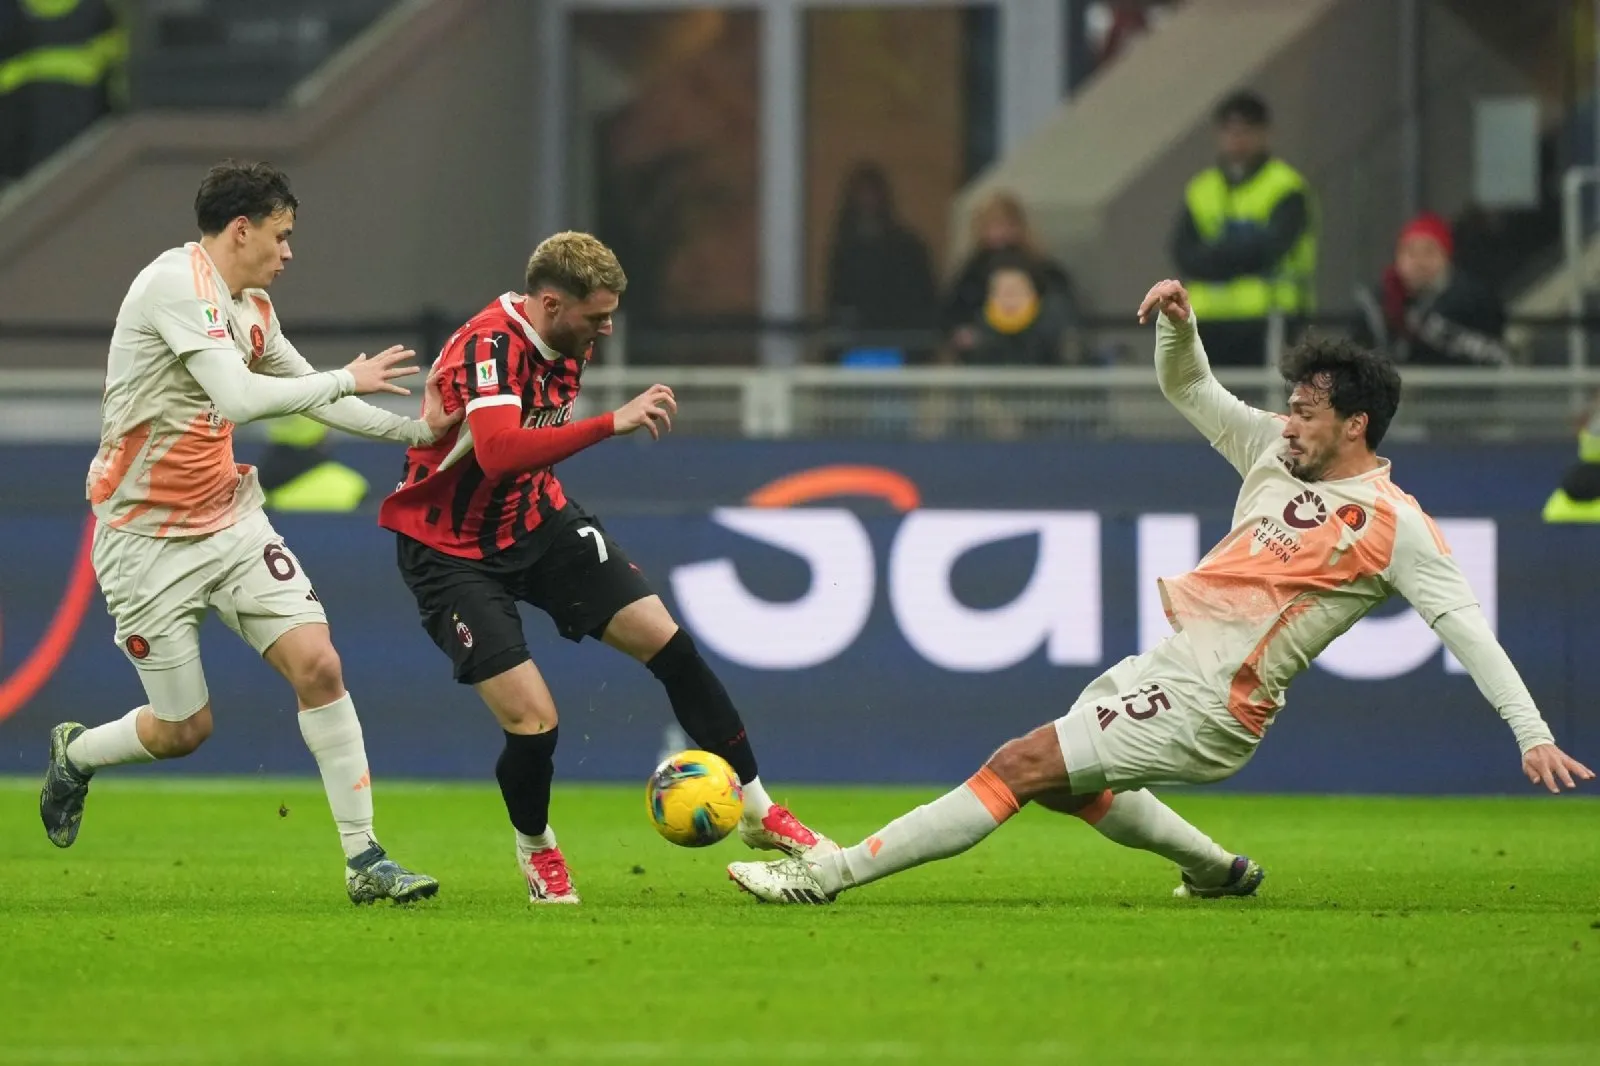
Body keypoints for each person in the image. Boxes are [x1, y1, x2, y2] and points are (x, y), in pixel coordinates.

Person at [727, 277, 1592, 906]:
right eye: (1286, 406)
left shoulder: (1393, 524)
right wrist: (1181, 325)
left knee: (1017, 765)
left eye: (1304, 411)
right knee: (1070, 784)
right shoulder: (1268, 451)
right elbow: (1190, 387)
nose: (1285, 421)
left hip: (1216, 705)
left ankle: (828, 874)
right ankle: (1218, 872)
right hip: (1172, 668)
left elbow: (1466, 627)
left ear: (1354, 424)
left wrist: (1533, 734)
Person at [40, 160, 457, 905]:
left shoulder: (251, 304)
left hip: (229, 519)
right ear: (242, 229)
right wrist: (343, 379)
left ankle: (366, 859)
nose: (289, 251)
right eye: (281, 234)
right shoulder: (175, 285)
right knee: (183, 729)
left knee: (319, 665)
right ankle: (78, 754)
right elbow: (242, 394)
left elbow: (318, 396)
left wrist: (419, 430)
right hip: (144, 540)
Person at [379, 231, 828, 904]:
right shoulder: (491, 345)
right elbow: (499, 453)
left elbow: (518, 464)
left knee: (669, 644)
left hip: (539, 522)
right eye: (596, 317)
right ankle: (537, 848)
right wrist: (608, 422)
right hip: (451, 551)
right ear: (551, 304)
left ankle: (761, 814)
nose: (607, 329)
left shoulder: (562, 336)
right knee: (535, 723)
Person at [1171, 91, 1316, 366]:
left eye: (1246, 131)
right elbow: (1184, 252)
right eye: (1230, 131)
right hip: (1208, 321)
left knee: (1264, 407)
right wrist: (1237, 253)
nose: (1237, 140)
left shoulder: (1286, 188)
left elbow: (1270, 250)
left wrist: (1217, 255)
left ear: (1265, 134)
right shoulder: (1202, 189)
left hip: (1268, 318)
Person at [1352, 212, 1511, 367]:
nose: (1419, 262)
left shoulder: (1475, 302)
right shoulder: (1376, 306)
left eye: (1429, 252)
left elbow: (1495, 357)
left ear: (1446, 258)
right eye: (1411, 252)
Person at [824, 162, 938, 365]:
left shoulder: (908, 248)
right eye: (861, 194)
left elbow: (922, 300)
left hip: (900, 344)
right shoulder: (844, 249)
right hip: (855, 346)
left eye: (871, 194)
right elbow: (836, 300)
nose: (867, 201)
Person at [942, 190, 1075, 360]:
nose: (998, 234)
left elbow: (1064, 319)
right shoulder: (970, 274)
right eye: (990, 226)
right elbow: (951, 317)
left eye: (1004, 225)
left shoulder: (1045, 272)